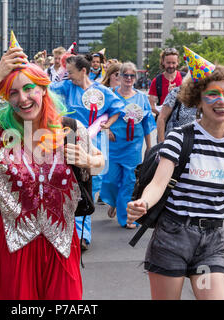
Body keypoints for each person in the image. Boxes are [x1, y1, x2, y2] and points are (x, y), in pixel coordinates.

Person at [0, 45, 105, 300]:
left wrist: (89, 159)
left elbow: (101, 162)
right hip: (14, 244)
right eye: (13, 93)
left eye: (28, 89)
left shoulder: (70, 129)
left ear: (43, 89)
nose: (22, 99)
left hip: (61, 243)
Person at [127, 49, 224, 300]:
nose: (221, 101)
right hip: (172, 238)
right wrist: (142, 202)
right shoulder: (181, 137)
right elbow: (158, 183)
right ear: (198, 100)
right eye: (212, 94)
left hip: (211, 243)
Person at [49, 54, 126, 250]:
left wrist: (107, 123)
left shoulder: (101, 92)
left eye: (71, 72)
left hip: (94, 144)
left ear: (83, 71)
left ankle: (83, 236)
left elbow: (118, 107)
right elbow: (46, 89)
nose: (69, 76)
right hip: (70, 141)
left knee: (88, 187)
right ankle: (67, 232)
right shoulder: (66, 87)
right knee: (68, 185)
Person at [100, 62, 156, 228]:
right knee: (110, 180)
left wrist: (149, 147)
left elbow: (147, 124)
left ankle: (126, 218)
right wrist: (106, 129)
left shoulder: (141, 98)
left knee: (129, 181)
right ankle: (115, 202)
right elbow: (101, 116)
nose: (129, 79)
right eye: (126, 75)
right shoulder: (110, 95)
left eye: (132, 76)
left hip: (133, 146)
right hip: (113, 145)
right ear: (119, 76)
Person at [156, 72, 197, 142]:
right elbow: (161, 118)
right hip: (173, 142)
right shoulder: (176, 92)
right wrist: (161, 144)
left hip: (195, 145)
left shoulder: (204, 97)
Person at [148, 48, 184, 116]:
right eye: (168, 63)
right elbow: (151, 106)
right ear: (163, 62)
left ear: (177, 62)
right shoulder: (157, 81)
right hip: (164, 121)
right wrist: (164, 115)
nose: (171, 66)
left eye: (173, 63)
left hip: (182, 121)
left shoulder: (185, 79)